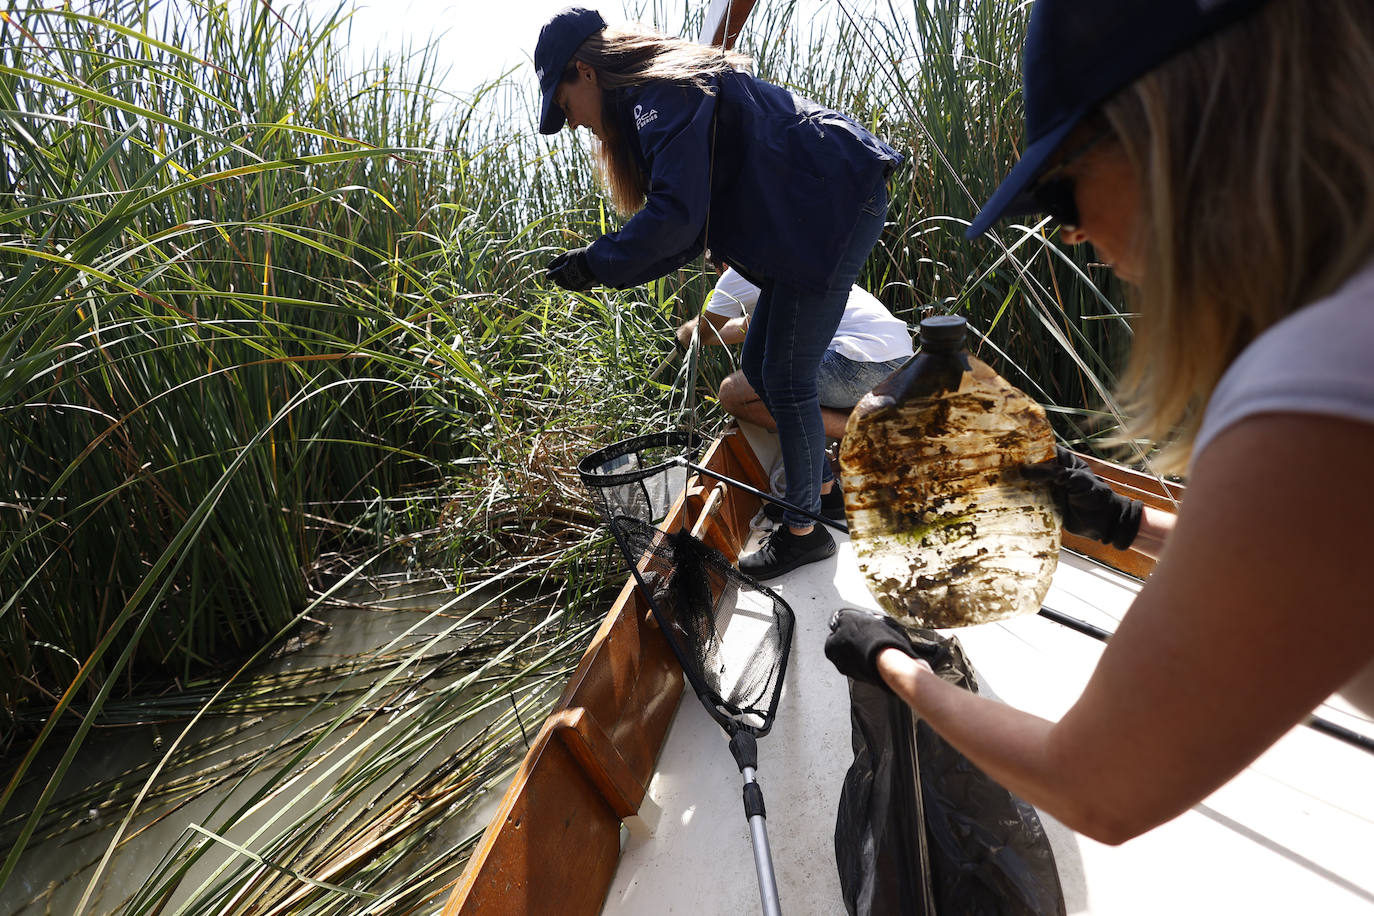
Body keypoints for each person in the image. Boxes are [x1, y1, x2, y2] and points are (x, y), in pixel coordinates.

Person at [826, 0, 1374, 846]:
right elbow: (1321, 552)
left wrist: (889, 660)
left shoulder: (1319, 375)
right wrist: (1121, 519)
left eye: (1057, 189)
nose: (1072, 231)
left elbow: (1094, 788)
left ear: (1172, 126)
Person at [533, 7, 902, 580]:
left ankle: (804, 531)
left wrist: (597, 260)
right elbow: (688, 229)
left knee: (785, 374)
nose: (575, 123)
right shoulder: (650, 98)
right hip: (811, 213)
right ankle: (823, 491)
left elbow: (676, 217)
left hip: (836, 197)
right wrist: (605, 264)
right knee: (760, 366)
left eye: (565, 105)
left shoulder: (656, 91)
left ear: (584, 72)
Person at [678, 262, 912, 522]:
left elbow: (702, 332)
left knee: (734, 393)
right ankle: (832, 474)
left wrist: (683, 335)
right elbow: (745, 327)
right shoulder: (789, 253)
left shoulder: (739, 269)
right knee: (783, 379)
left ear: (722, 262)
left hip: (859, 365)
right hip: (897, 362)